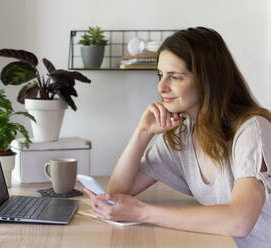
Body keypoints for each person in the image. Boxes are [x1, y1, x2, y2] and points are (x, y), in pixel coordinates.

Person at [84, 27, 271, 248]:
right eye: (160, 75)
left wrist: (143, 212)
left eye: (175, 77)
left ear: (207, 80)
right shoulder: (182, 135)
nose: (161, 87)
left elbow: (239, 221)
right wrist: (142, 134)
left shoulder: (251, 130)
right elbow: (118, 192)